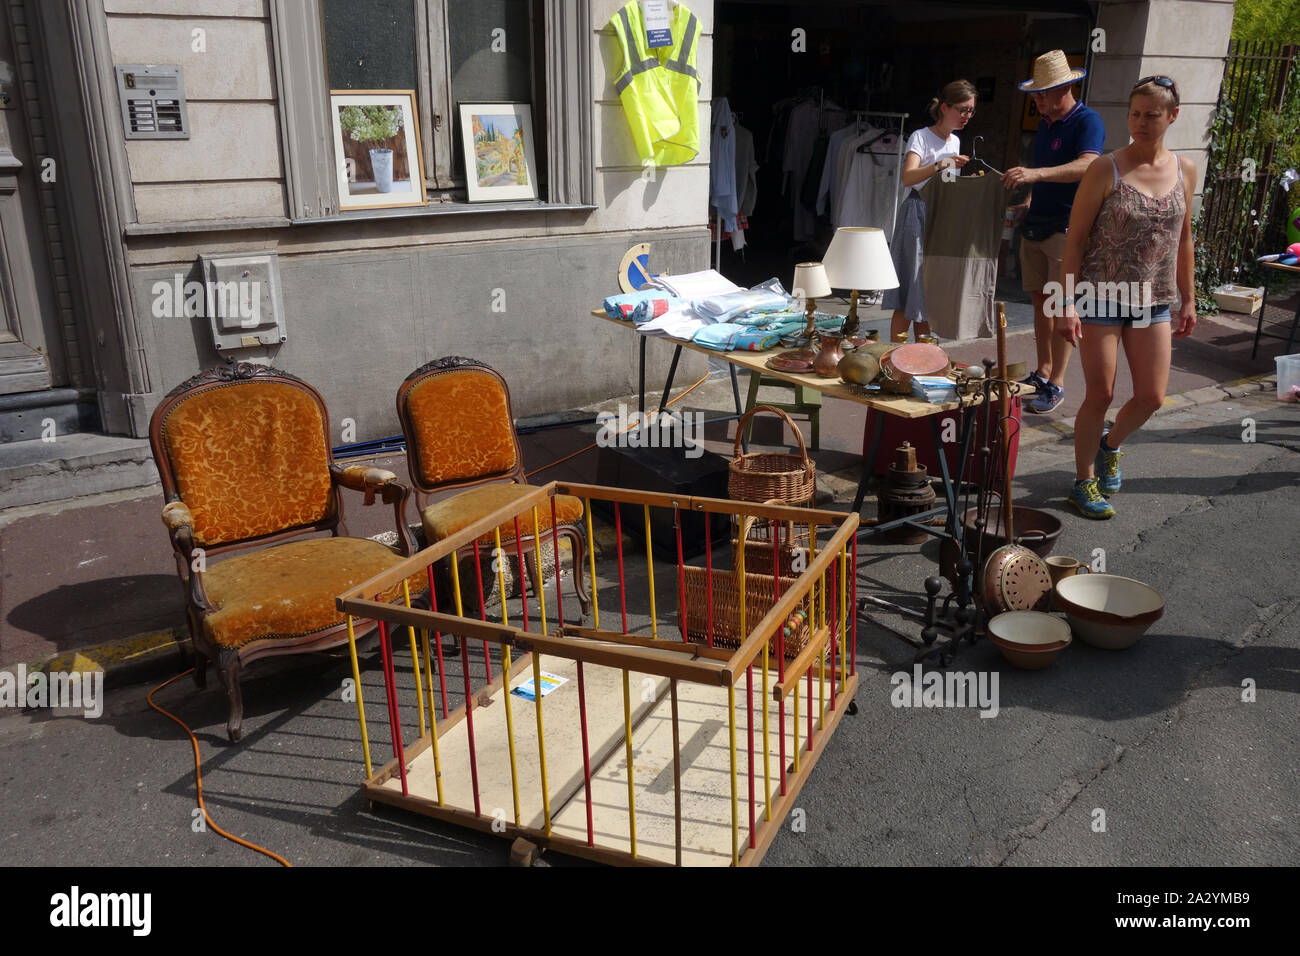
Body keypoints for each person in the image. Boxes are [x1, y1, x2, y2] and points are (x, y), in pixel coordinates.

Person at [1056, 76, 1196, 519]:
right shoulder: (1106, 168)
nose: (1141, 122)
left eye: (1152, 114)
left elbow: (1185, 238)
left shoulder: (1186, 169)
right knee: (1100, 392)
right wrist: (1064, 303)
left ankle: (1110, 445)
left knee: (1153, 396)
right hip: (1101, 294)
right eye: (1135, 113)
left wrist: (1188, 298)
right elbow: (1075, 241)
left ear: (1172, 116)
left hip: (1153, 299)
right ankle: (1082, 482)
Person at [1003, 50, 1105, 413]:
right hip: (1037, 224)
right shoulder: (1045, 124)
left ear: (1065, 87)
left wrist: (1035, 175)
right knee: (1039, 303)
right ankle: (1043, 372)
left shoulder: (1087, 121)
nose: (1037, 100)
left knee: (1062, 307)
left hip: (1067, 229)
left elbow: (1088, 165)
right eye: (1035, 93)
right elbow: (1047, 169)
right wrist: (1029, 197)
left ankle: (1058, 383)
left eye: (1042, 93)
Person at [882, 80, 974, 341]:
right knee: (909, 286)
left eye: (971, 111)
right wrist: (941, 163)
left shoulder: (955, 141)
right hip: (917, 211)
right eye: (963, 109)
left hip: (941, 216)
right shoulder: (921, 136)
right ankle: (895, 359)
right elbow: (908, 177)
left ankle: (924, 360)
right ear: (945, 107)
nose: (967, 116)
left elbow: (947, 184)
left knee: (928, 293)